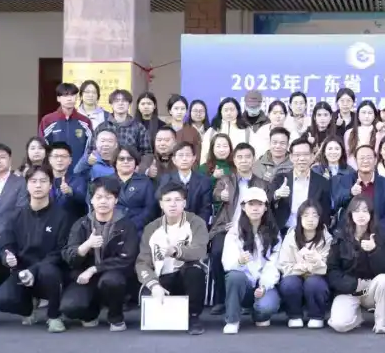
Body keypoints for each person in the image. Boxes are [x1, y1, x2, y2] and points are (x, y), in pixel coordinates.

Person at [0, 164, 73, 332]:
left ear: (50, 185)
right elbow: (7, 244)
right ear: (27, 185)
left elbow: (61, 251)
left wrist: (34, 270)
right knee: (2, 300)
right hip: (22, 271)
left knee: (48, 272)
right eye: (33, 181)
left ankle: (54, 316)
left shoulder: (62, 216)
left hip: (51, 271)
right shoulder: (15, 216)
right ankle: (28, 308)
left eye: (43, 181)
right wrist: (8, 257)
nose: (38, 185)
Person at [61, 177, 140, 332]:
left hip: (114, 275)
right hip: (85, 277)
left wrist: (95, 269)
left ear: (116, 200)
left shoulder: (126, 225)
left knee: (112, 281)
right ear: (91, 200)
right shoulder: (82, 224)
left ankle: (116, 317)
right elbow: (69, 257)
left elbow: (128, 258)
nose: (103, 201)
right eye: (99, 197)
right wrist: (86, 246)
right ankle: (91, 313)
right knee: (69, 307)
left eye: (108, 197)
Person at [137, 181, 209, 335]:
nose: (173, 204)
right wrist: (153, 285)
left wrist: (176, 251)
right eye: (168, 200)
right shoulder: (151, 228)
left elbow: (200, 251)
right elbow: (142, 263)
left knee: (195, 271)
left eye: (177, 200)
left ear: (184, 203)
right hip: (161, 279)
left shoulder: (196, 223)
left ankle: (193, 317)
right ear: (161, 204)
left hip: (185, 276)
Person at [208, 142, 267, 316]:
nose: (244, 160)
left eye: (247, 157)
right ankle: (221, 299)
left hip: (253, 228)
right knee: (217, 252)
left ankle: (247, 298)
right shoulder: (226, 180)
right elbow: (215, 194)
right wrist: (220, 195)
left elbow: (267, 206)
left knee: (251, 254)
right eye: (239, 157)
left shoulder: (262, 183)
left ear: (253, 159)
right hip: (226, 228)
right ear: (234, 160)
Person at [327, 195, 385, 334]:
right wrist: (354, 285)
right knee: (339, 325)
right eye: (357, 211)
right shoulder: (340, 236)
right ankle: (357, 317)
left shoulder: (382, 235)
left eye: (365, 211)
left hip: (373, 288)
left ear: (371, 214)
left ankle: (382, 322)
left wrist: (374, 251)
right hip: (349, 291)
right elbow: (332, 271)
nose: (361, 215)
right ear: (350, 214)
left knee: (384, 281)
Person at [221, 187, 282, 334]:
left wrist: (264, 285)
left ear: (265, 207)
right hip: (245, 283)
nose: (255, 208)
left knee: (266, 308)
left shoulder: (273, 232)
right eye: (251, 204)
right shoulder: (235, 231)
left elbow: (274, 263)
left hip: (263, 284)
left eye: (259, 204)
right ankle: (233, 320)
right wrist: (239, 261)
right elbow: (227, 263)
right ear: (243, 207)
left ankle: (258, 314)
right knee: (235, 277)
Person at [277, 200, 332, 328]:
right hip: (295, 274)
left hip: (317, 277)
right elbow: (283, 265)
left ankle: (316, 315)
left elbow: (328, 266)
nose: (310, 219)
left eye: (314, 215)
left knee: (314, 283)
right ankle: (294, 315)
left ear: (320, 218)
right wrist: (301, 267)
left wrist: (316, 262)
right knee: (289, 283)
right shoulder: (291, 237)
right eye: (306, 215)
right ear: (299, 218)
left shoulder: (327, 238)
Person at [268, 137, 331, 232]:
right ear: (291, 157)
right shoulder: (280, 179)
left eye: (306, 154)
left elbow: (325, 213)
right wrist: (276, 195)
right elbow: (267, 201)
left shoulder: (322, 182)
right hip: (283, 231)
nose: (301, 158)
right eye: (297, 155)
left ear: (312, 156)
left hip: (311, 232)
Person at [333, 145, 385, 236]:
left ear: (375, 160)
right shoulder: (344, 180)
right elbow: (336, 203)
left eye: (369, 158)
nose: (365, 161)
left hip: (377, 234)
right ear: (355, 160)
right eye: (362, 158)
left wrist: (377, 233)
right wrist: (350, 193)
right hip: (349, 234)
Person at [40, 82, 94, 168]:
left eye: (72, 95)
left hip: (79, 171)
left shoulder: (85, 121)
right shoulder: (47, 120)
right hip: (54, 170)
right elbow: (43, 146)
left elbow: (90, 147)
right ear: (58, 98)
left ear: (77, 98)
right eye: (65, 95)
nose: (69, 99)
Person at [157, 141, 214, 223]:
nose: (184, 159)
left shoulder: (204, 181)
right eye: (180, 155)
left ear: (194, 158)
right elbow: (161, 205)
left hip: (196, 225)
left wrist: (196, 227)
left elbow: (205, 209)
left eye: (187, 155)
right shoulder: (166, 179)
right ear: (174, 160)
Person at [112, 144, 157, 234]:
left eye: (130, 159)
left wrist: (132, 225)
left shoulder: (145, 182)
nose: (126, 161)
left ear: (135, 162)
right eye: (121, 159)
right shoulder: (106, 181)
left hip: (138, 229)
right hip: (112, 229)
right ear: (115, 162)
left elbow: (150, 210)